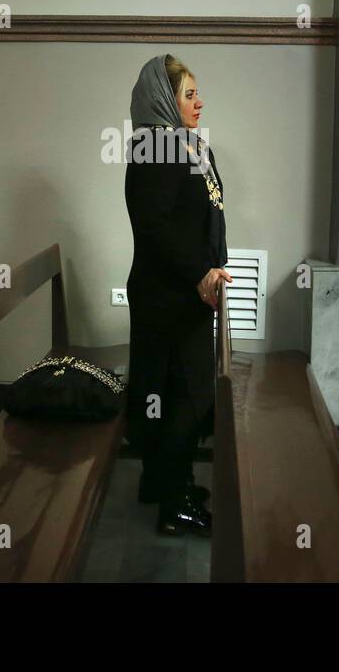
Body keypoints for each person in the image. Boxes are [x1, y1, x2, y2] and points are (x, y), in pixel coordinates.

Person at [124, 54, 231, 536]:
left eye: (196, 93)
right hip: (165, 296)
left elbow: (208, 212)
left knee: (174, 393)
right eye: (189, 94)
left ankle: (165, 481)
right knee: (183, 397)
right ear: (164, 100)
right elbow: (155, 228)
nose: (199, 102)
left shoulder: (187, 145)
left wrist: (214, 266)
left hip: (188, 294)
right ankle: (175, 504)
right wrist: (199, 273)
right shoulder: (154, 149)